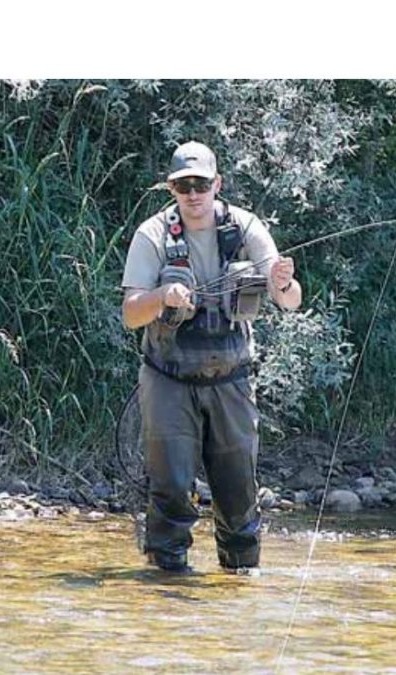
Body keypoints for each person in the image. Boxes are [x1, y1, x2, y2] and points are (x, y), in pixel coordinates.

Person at [121, 141, 301, 572]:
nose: (194, 194)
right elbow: (131, 315)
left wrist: (282, 281)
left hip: (231, 379)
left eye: (202, 184)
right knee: (170, 490)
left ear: (217, 184)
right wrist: (163, 296)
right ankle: (167, 587)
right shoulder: (153, 235)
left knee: (239, 494)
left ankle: (239, 587)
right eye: (184, 186)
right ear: (172, 189)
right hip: (168, 380)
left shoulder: (246, 228)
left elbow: (290, 301)